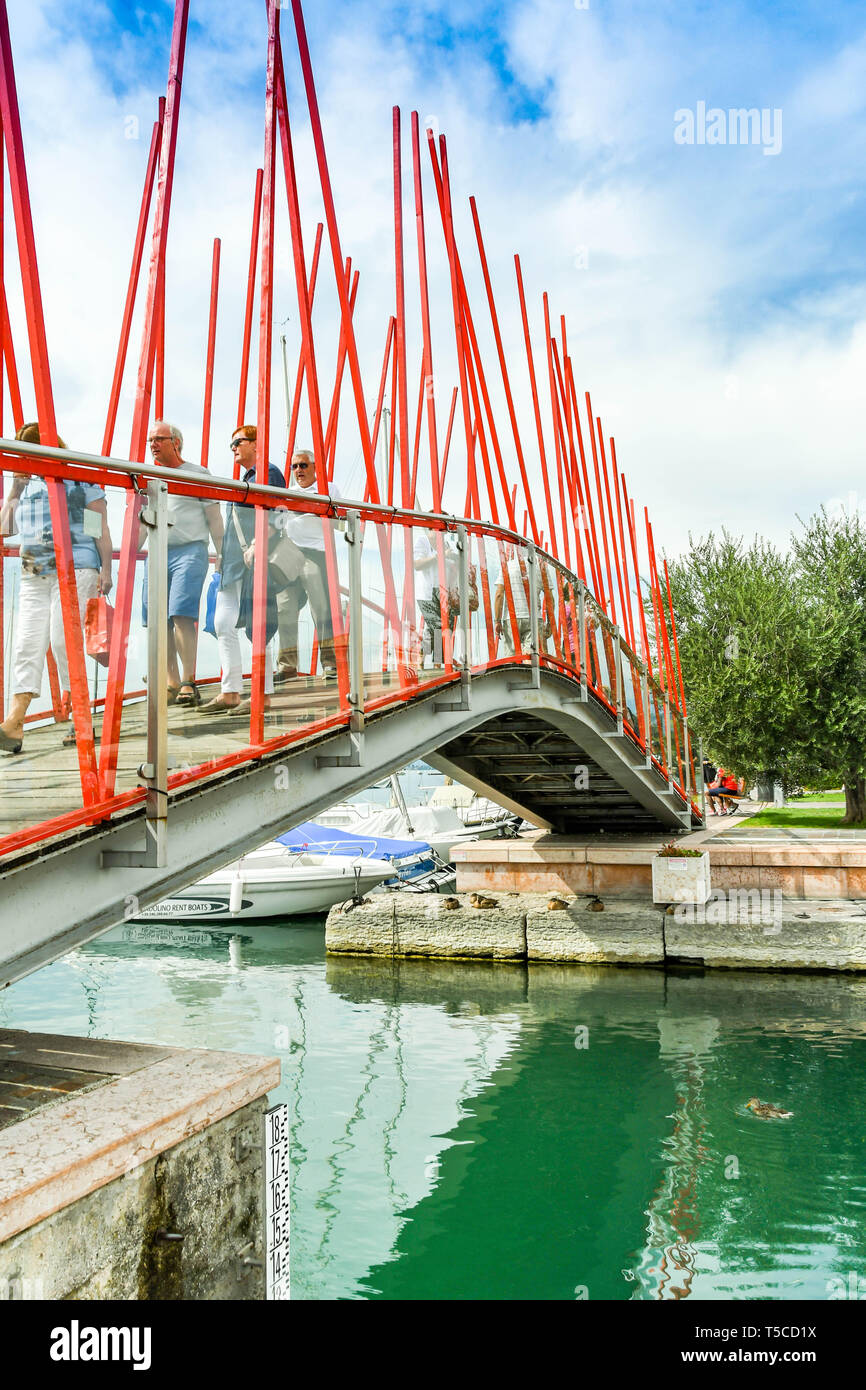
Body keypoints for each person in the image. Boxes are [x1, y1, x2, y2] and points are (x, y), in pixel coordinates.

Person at [0, 422, 113, 753]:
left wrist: (106, 569)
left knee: (64, 642)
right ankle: (15, 721)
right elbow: (5, 530)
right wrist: (14, 492)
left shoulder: (81, 480)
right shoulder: (27, 484)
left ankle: (81, 719)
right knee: (26, 644)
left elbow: (98, 528)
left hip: (75, 567)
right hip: (34, 571)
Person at [198, 426, 285, 714]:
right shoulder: (248, 477)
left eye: (238, 442)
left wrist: (258, 544)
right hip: (234, 561)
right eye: (231, 443)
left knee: (258, 627)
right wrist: (223, 555)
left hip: (251, 559)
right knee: (224, 622)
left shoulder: (269, 473)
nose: (233, 447)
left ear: (257, 443)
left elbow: (277, 513)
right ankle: (231, 690)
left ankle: (264, 693)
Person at [142, 421, 224, 706]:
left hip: (190, 550)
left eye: (158, 439)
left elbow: (215, 518)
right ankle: (171, 681)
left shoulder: (198, 474)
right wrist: (130, 552)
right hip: (157, 550)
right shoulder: (149, 475)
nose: (152, 444)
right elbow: (144, 518)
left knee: (181, 614)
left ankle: (189, 680)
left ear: (175, 442)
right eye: (149, 439)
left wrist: (221, 553)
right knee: (157, 618)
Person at [275, 449, 341, 680]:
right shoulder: (287, 493)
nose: (298, 471)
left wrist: (301, 508)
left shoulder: (328, 489)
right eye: (294, 467)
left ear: (314, 467)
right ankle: (287, 666)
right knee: (284, 607)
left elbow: (334, 518)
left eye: (303, 465)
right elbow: (278, 522)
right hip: (290, 553)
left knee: (322, 608)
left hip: (315, 554)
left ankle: (330, 663)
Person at [413, 527, 458, 667]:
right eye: (439, 528)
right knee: (437, 625)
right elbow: (417, 564)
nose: (442, 532)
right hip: (426, 591)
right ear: (430, 528)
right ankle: (432, 660)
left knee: (442, 626)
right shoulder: (423, 541)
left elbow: (451, 568)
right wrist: (440, 556)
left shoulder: (447, 545)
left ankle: (435, 661)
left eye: (444, 529)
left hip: (444, 590)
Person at [494, 546, 532, 655]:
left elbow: (499, 595)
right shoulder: (536, 568)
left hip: (511, 617)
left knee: (511, 656)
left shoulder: (507, 567)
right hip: (532, 617)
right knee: (529, 655)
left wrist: (497, 621)